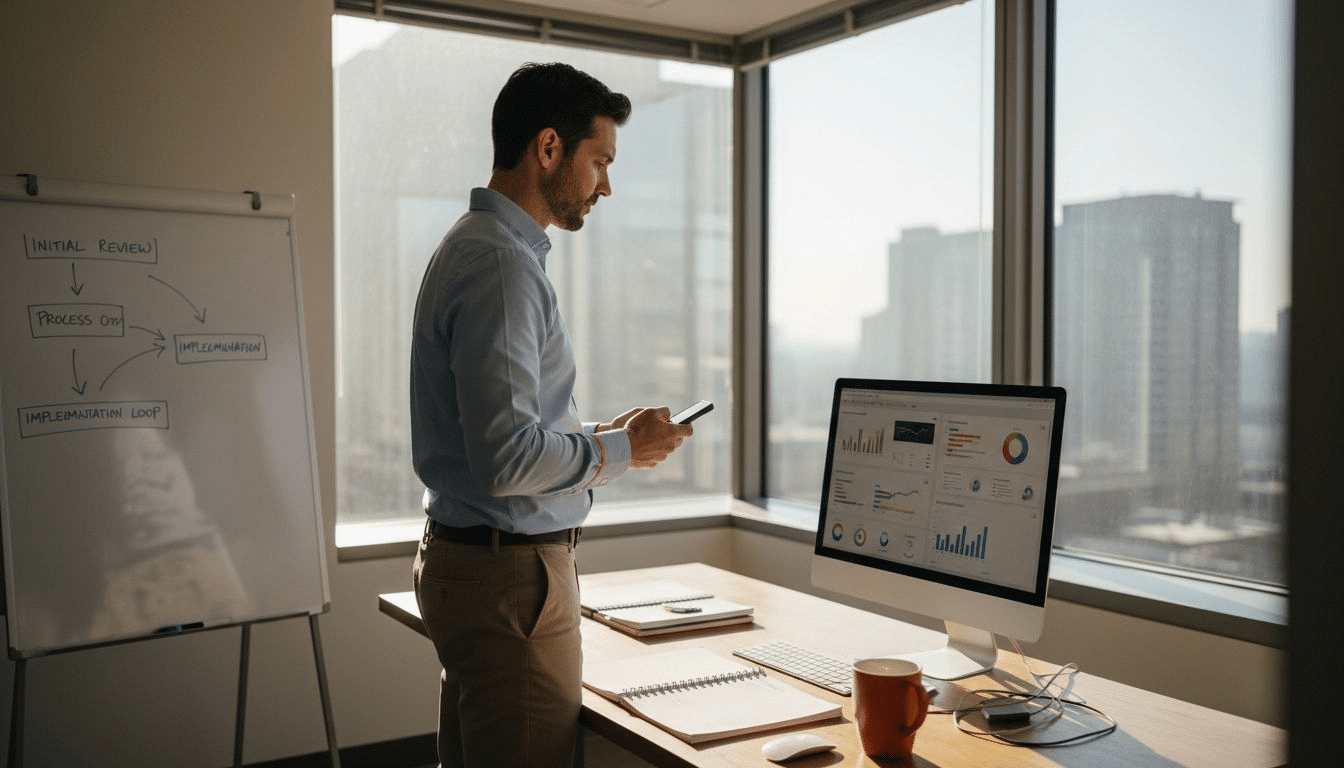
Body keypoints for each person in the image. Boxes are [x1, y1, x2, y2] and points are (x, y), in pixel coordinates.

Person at [408, 62, 694, 768]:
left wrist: (606, 437)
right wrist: (620, 452)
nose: (605, 186)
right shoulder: (503, 266)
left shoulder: (472, 246)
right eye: (600, 161)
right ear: (547, 148)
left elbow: (503, 432)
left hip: (477, 565)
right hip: (510, 581)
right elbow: (508, 459)